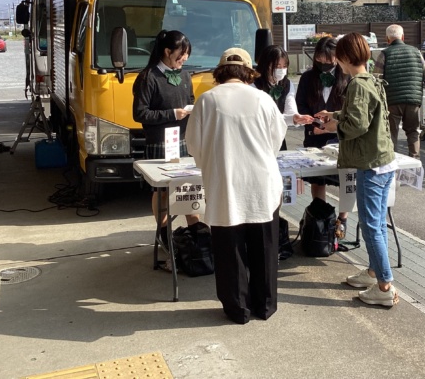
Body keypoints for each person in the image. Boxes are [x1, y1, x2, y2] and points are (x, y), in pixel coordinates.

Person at [186, 48, 287, 324]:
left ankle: (237, 308)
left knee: (229, 249)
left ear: (220, 72)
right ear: (247, 72)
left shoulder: (206, 101)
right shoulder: (263, 99)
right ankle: (265, 305)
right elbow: (276, 140)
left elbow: (193, 145)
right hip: (261, 183)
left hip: (224, 183)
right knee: (264, 246)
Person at [315, 33, 398, 307]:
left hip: (371, 165)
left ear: (346, 58)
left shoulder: (356, 85)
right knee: (377, 225)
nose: (336, 61)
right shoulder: (372, 79)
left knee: (372, 225)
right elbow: (362, 116)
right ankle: (374, 272)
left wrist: (332, 126)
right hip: (383, 161)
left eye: (338, 56)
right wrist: (335, 115)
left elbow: (358, 125)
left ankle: (384, 285)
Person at [132, 30, 199, 265]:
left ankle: (196, 230)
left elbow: (189, 98)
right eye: (181, 55)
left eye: (186, 55)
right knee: (161, 190)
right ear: (167, 52)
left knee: (188, 185)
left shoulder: (185, 76)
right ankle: (163, 230)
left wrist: (191, 112)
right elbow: (140, 113)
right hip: (159, 141)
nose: (184, 60)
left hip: (182, 139)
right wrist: (173, 113)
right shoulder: (148, 77)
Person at [295, 37, 351, 237]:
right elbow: (300, 105)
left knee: (346, 178)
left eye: (329, 60)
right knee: (318, 179)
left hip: (341, 137)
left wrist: (332, 127)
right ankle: (320, 216)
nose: (324, 63)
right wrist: (312, 123)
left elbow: (350, 111)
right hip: (314, 135)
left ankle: (342, 220)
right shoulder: (308, 78)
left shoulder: (347, 77)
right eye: (320, 59)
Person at [374, 24, 425, 159]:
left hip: (391, 101)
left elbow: (376, 79)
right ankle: (414, 161)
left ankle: (392, 162)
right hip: (413, 100)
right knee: (413, 131)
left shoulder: (384, 54)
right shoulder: (416, 52)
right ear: (403, 37)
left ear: (387, 39)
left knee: (391, 132)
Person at [253, 45, 313, 150]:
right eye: (277, 66)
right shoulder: (253, 85)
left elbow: (290, 110)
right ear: (265, 65)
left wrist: (295, 118)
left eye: (284, 66)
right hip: (256, 140)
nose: (282, 70)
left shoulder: (287, 84)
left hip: (278, 139)